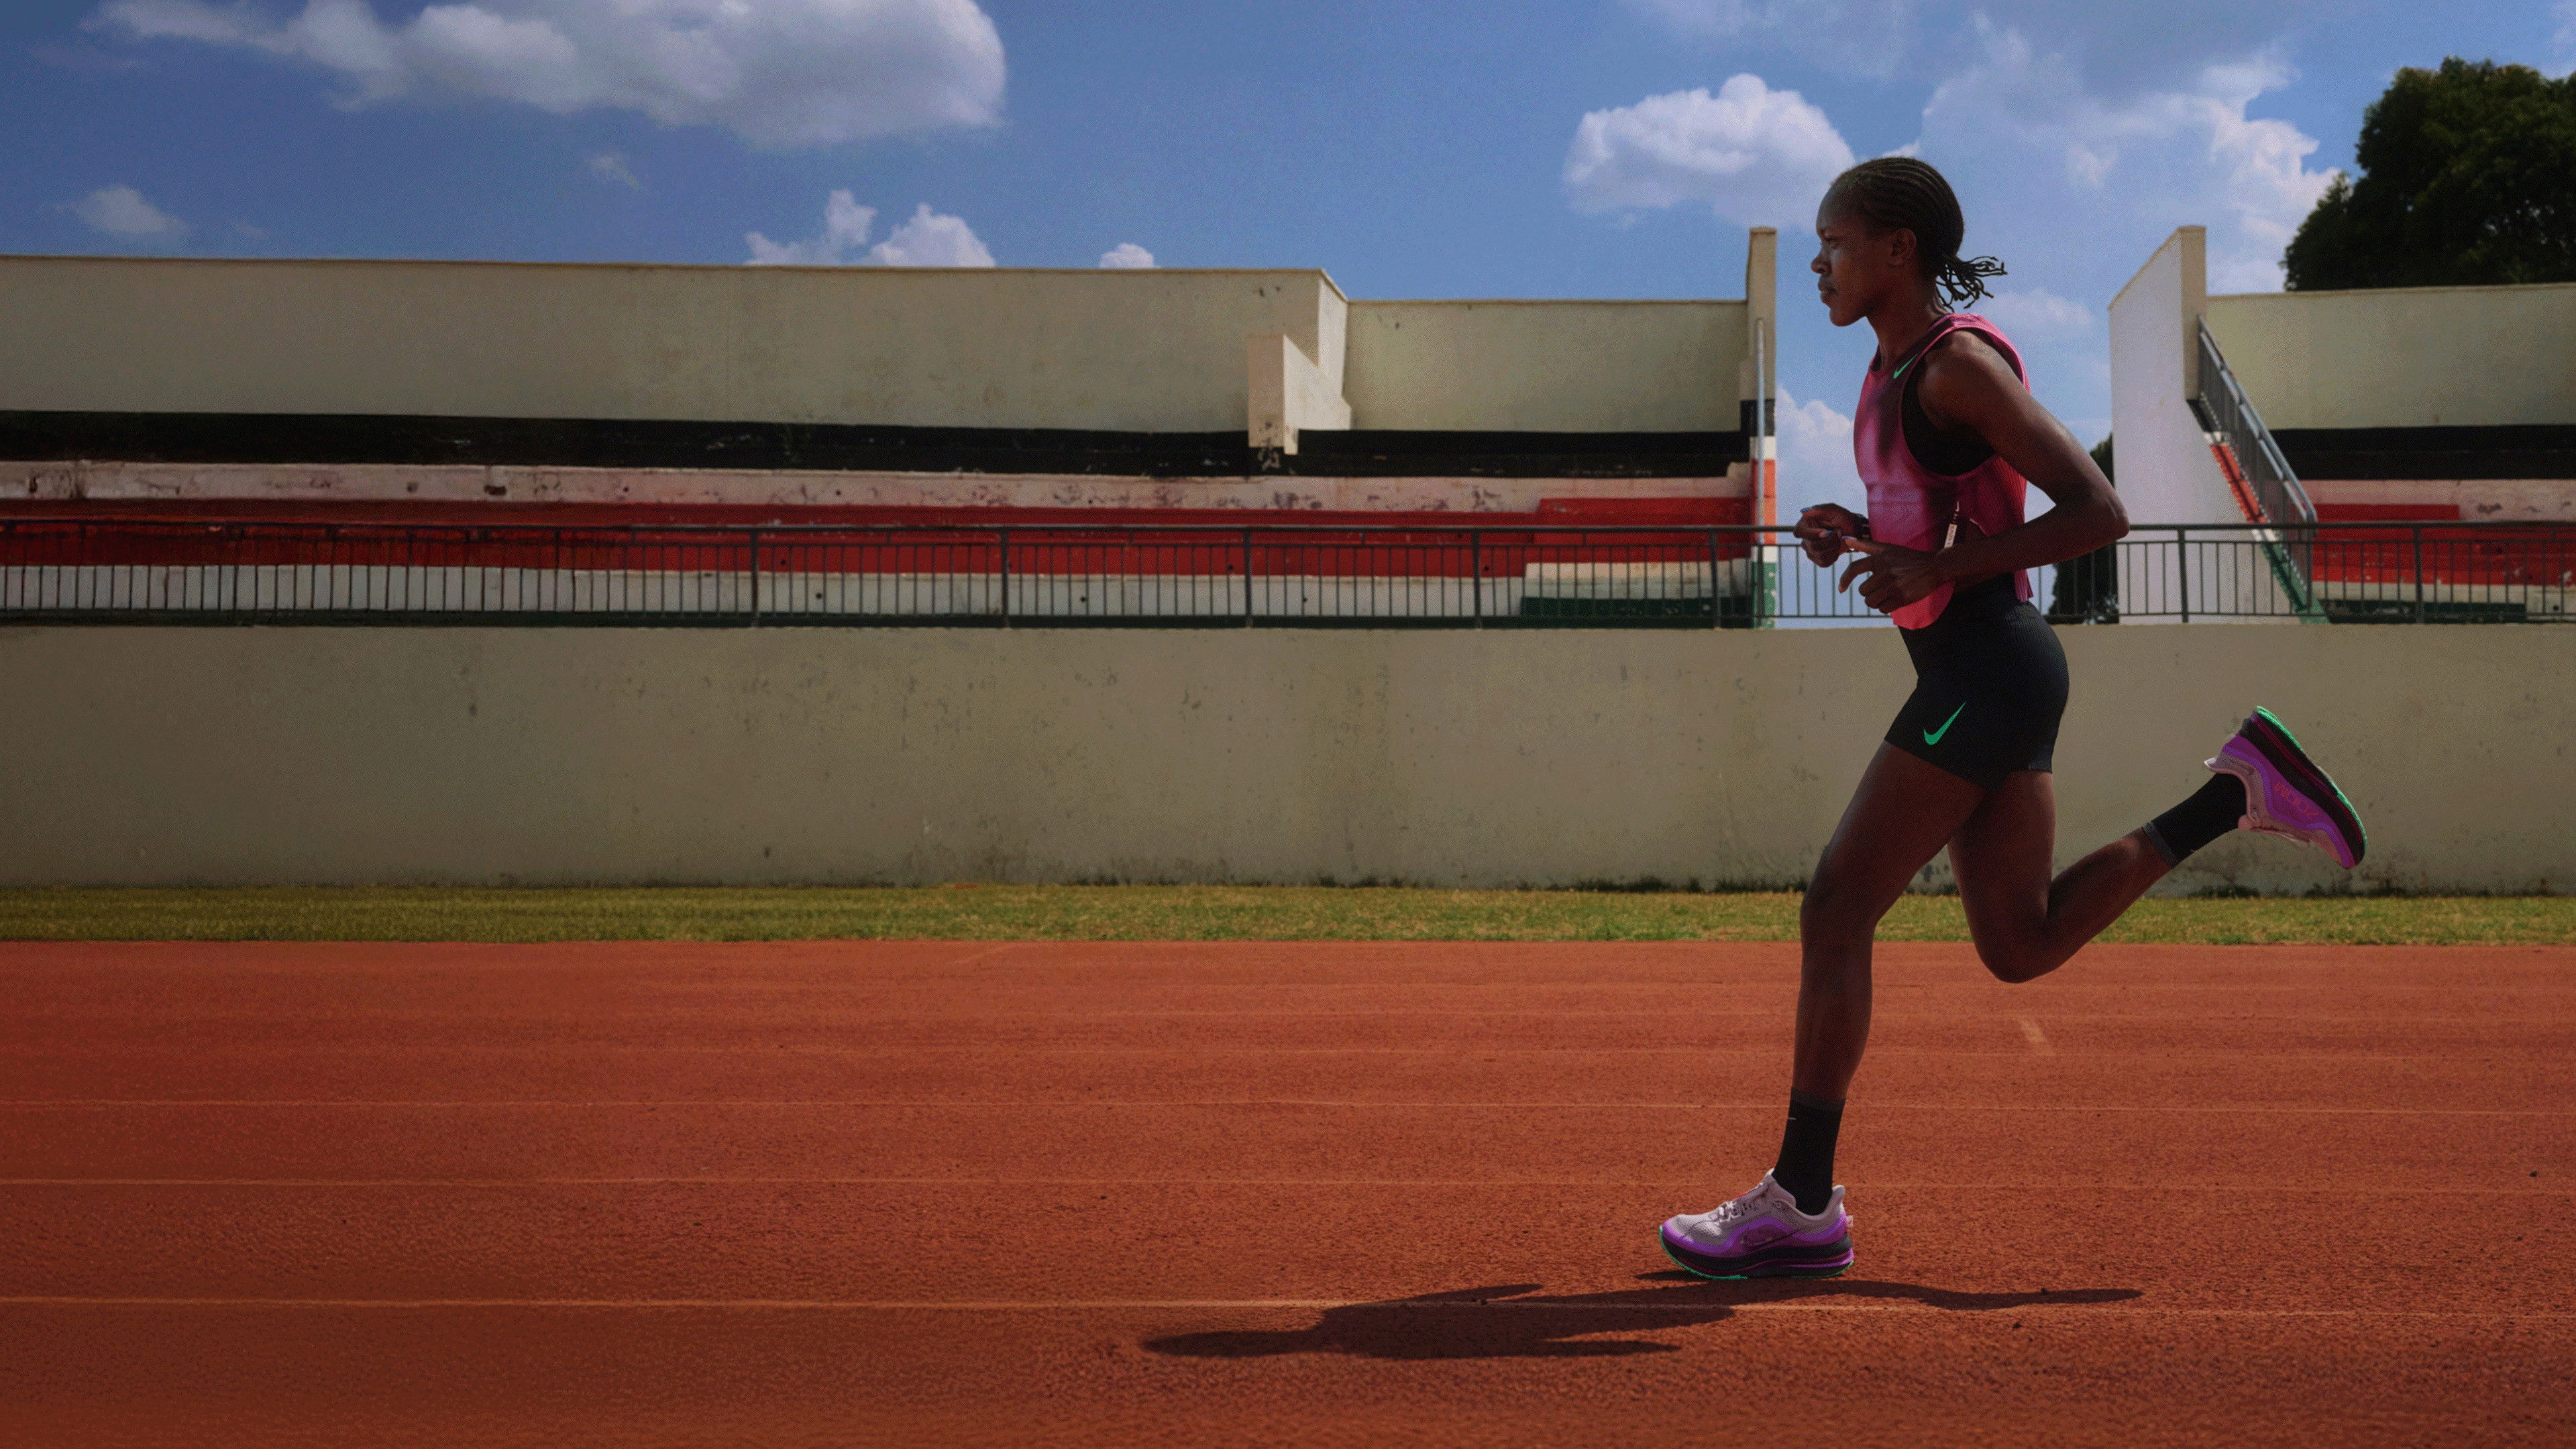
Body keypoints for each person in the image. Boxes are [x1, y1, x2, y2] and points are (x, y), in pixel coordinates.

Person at [1656, 158, 2368, 1281]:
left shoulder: (1959, 369)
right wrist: (1862, 529)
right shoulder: (1890, 373)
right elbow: (1933, 519)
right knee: (2020, 945)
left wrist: (1938, 560)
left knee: (1837, 907)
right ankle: (2238, 792)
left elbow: (2102, 512)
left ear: (1900, 250)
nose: (1819, 262)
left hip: (1986, 670)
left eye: (1836, 242)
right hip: (1990, 671)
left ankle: (1800, 1201)